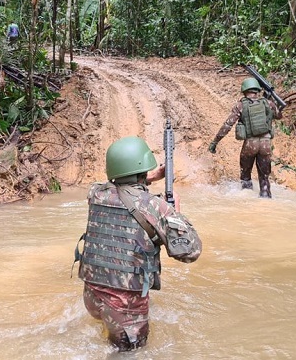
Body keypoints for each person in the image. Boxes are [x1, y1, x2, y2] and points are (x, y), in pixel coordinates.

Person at [74, 136, 202, 351]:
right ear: (141, 170)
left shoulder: (95, 193)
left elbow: (124, 190)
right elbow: (189, 251)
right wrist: (175, 214)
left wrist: (150, 178)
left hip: (92, 296)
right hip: (124, 309)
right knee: (130, 355)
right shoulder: (155, 207)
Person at [207, 77, 283, 198]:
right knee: (264, 179)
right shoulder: (268, 103)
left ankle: (247, 198)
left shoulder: (241, 105)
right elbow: (279, 115)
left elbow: (228, 125)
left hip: (250, 145)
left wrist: (215, 142)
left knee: (246, 176)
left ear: (244, 90)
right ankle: (265, 200)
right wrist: (271, 100)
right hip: (266, 145)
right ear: (257, 89)